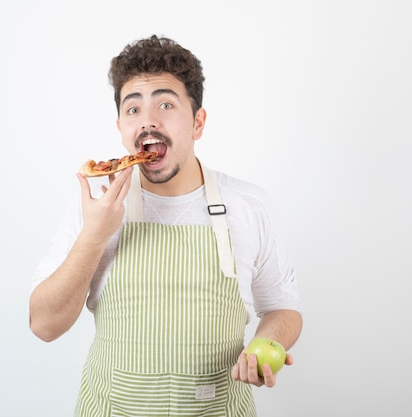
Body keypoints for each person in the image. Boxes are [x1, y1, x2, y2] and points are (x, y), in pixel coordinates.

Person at [29, 34, 303, 416]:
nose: (148, 122)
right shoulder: (96, 207)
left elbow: (282, 309)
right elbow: (44, 325)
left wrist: (263, 347)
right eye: (133, 109)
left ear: (197, 122)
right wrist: (94, 235)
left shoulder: (248, 205)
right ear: (121, 126)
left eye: (166, 104)